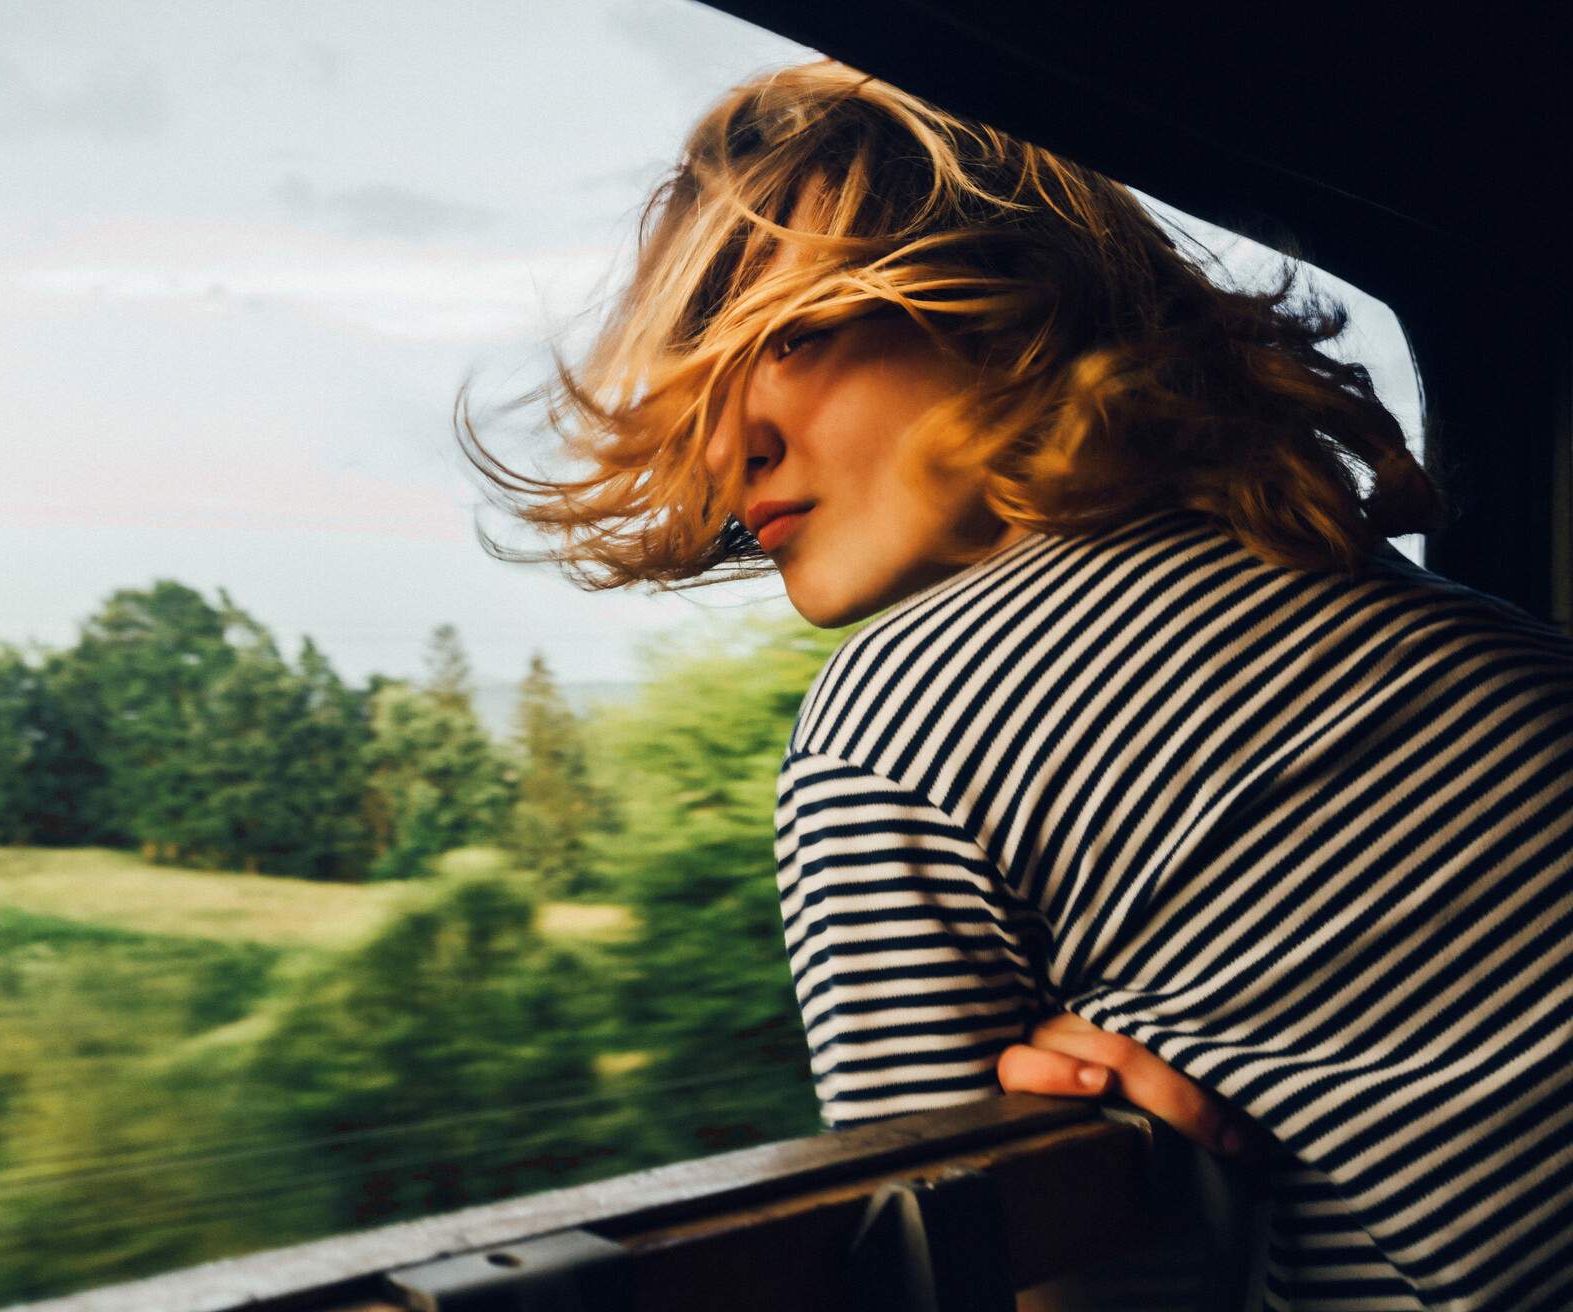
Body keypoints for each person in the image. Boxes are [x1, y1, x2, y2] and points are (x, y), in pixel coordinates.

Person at [458, 59, 1573, 1311]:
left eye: (797, 337)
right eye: (707, 396)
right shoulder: (1484, 638)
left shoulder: (890, 725)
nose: (729, 449)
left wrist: (1129, 1213)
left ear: (1012, 312)